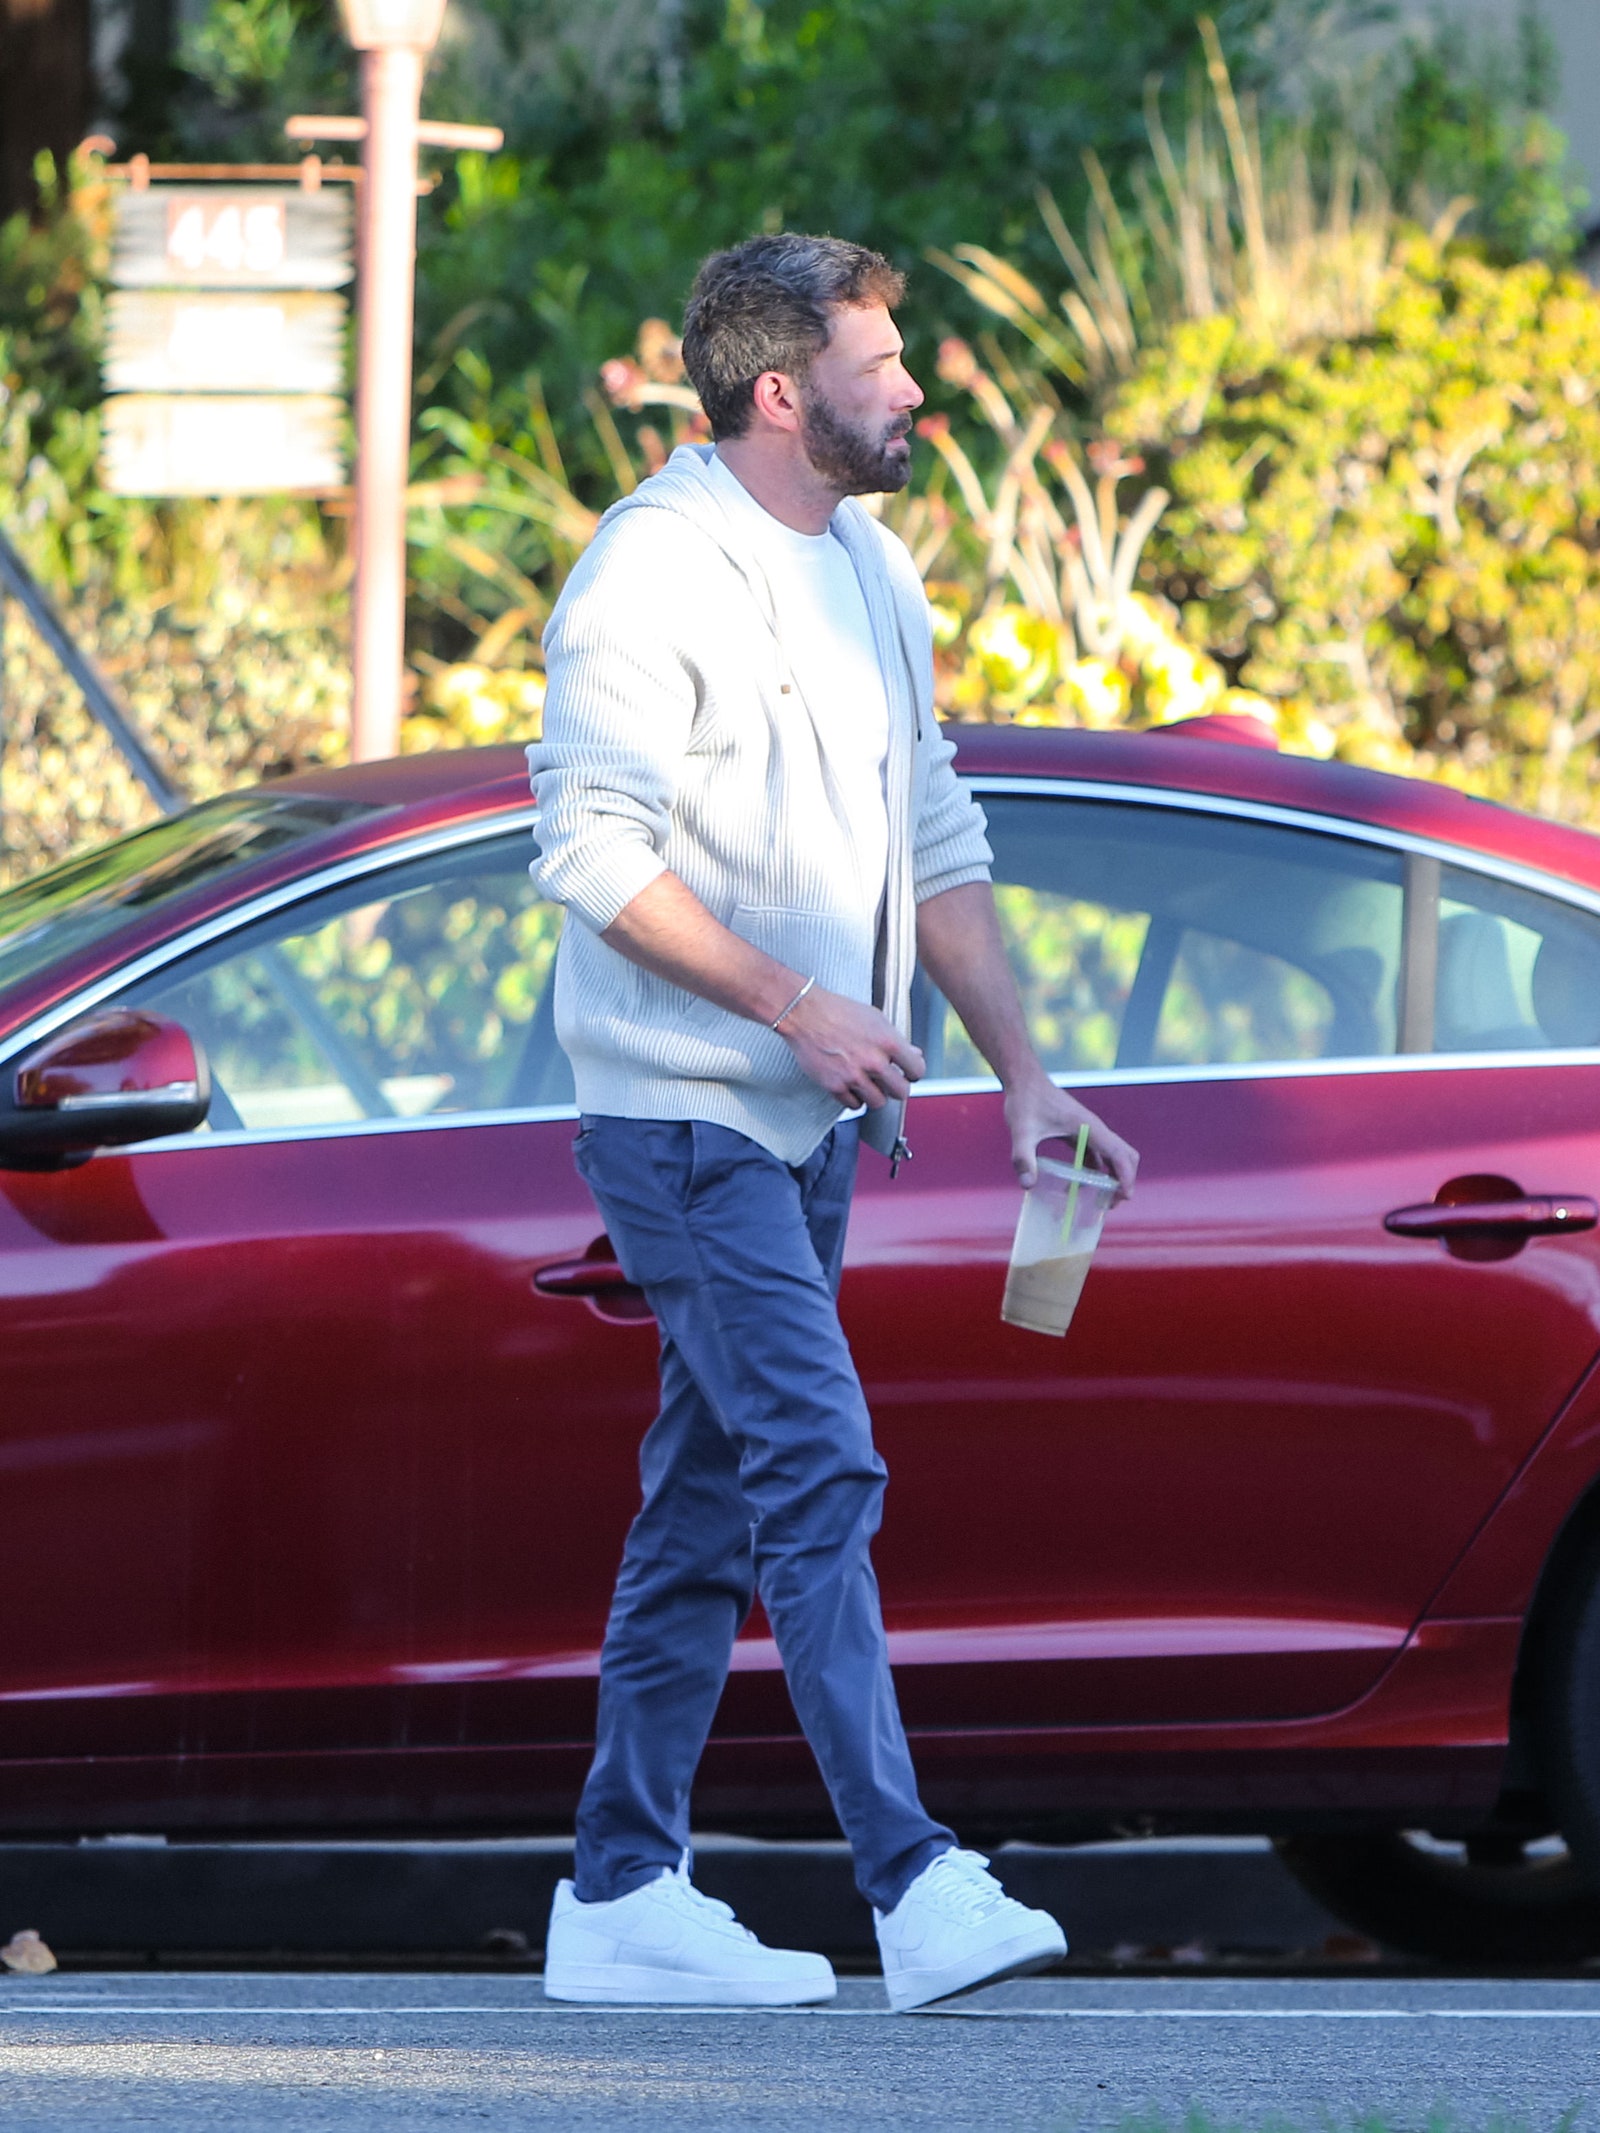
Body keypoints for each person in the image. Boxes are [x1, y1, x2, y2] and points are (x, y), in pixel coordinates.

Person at [527, 232, 1138, 2013]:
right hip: (690, 1124)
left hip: (802, 1138)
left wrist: (1024, 1073)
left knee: (705, 1500)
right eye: (885, 364)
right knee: (820, 1460)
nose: (918, 390)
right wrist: (795, 1002)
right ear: (783, 391)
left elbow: (930, 830)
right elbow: (588, 846)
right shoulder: (646, 578)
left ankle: (621, 1889)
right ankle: (913, 1875)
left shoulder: (870, 564)